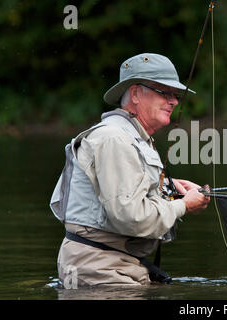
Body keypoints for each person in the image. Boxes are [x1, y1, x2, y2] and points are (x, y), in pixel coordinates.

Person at [50, 53, 210, 287]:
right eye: (164, 92)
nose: (174, 101)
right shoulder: (114, 139)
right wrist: (183, 205)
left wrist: (169, 188)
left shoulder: (130, 137)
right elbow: (130, 216)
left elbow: (128, 193)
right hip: (100, 269)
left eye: (175, 95)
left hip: (117, 266)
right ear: (135, 93)